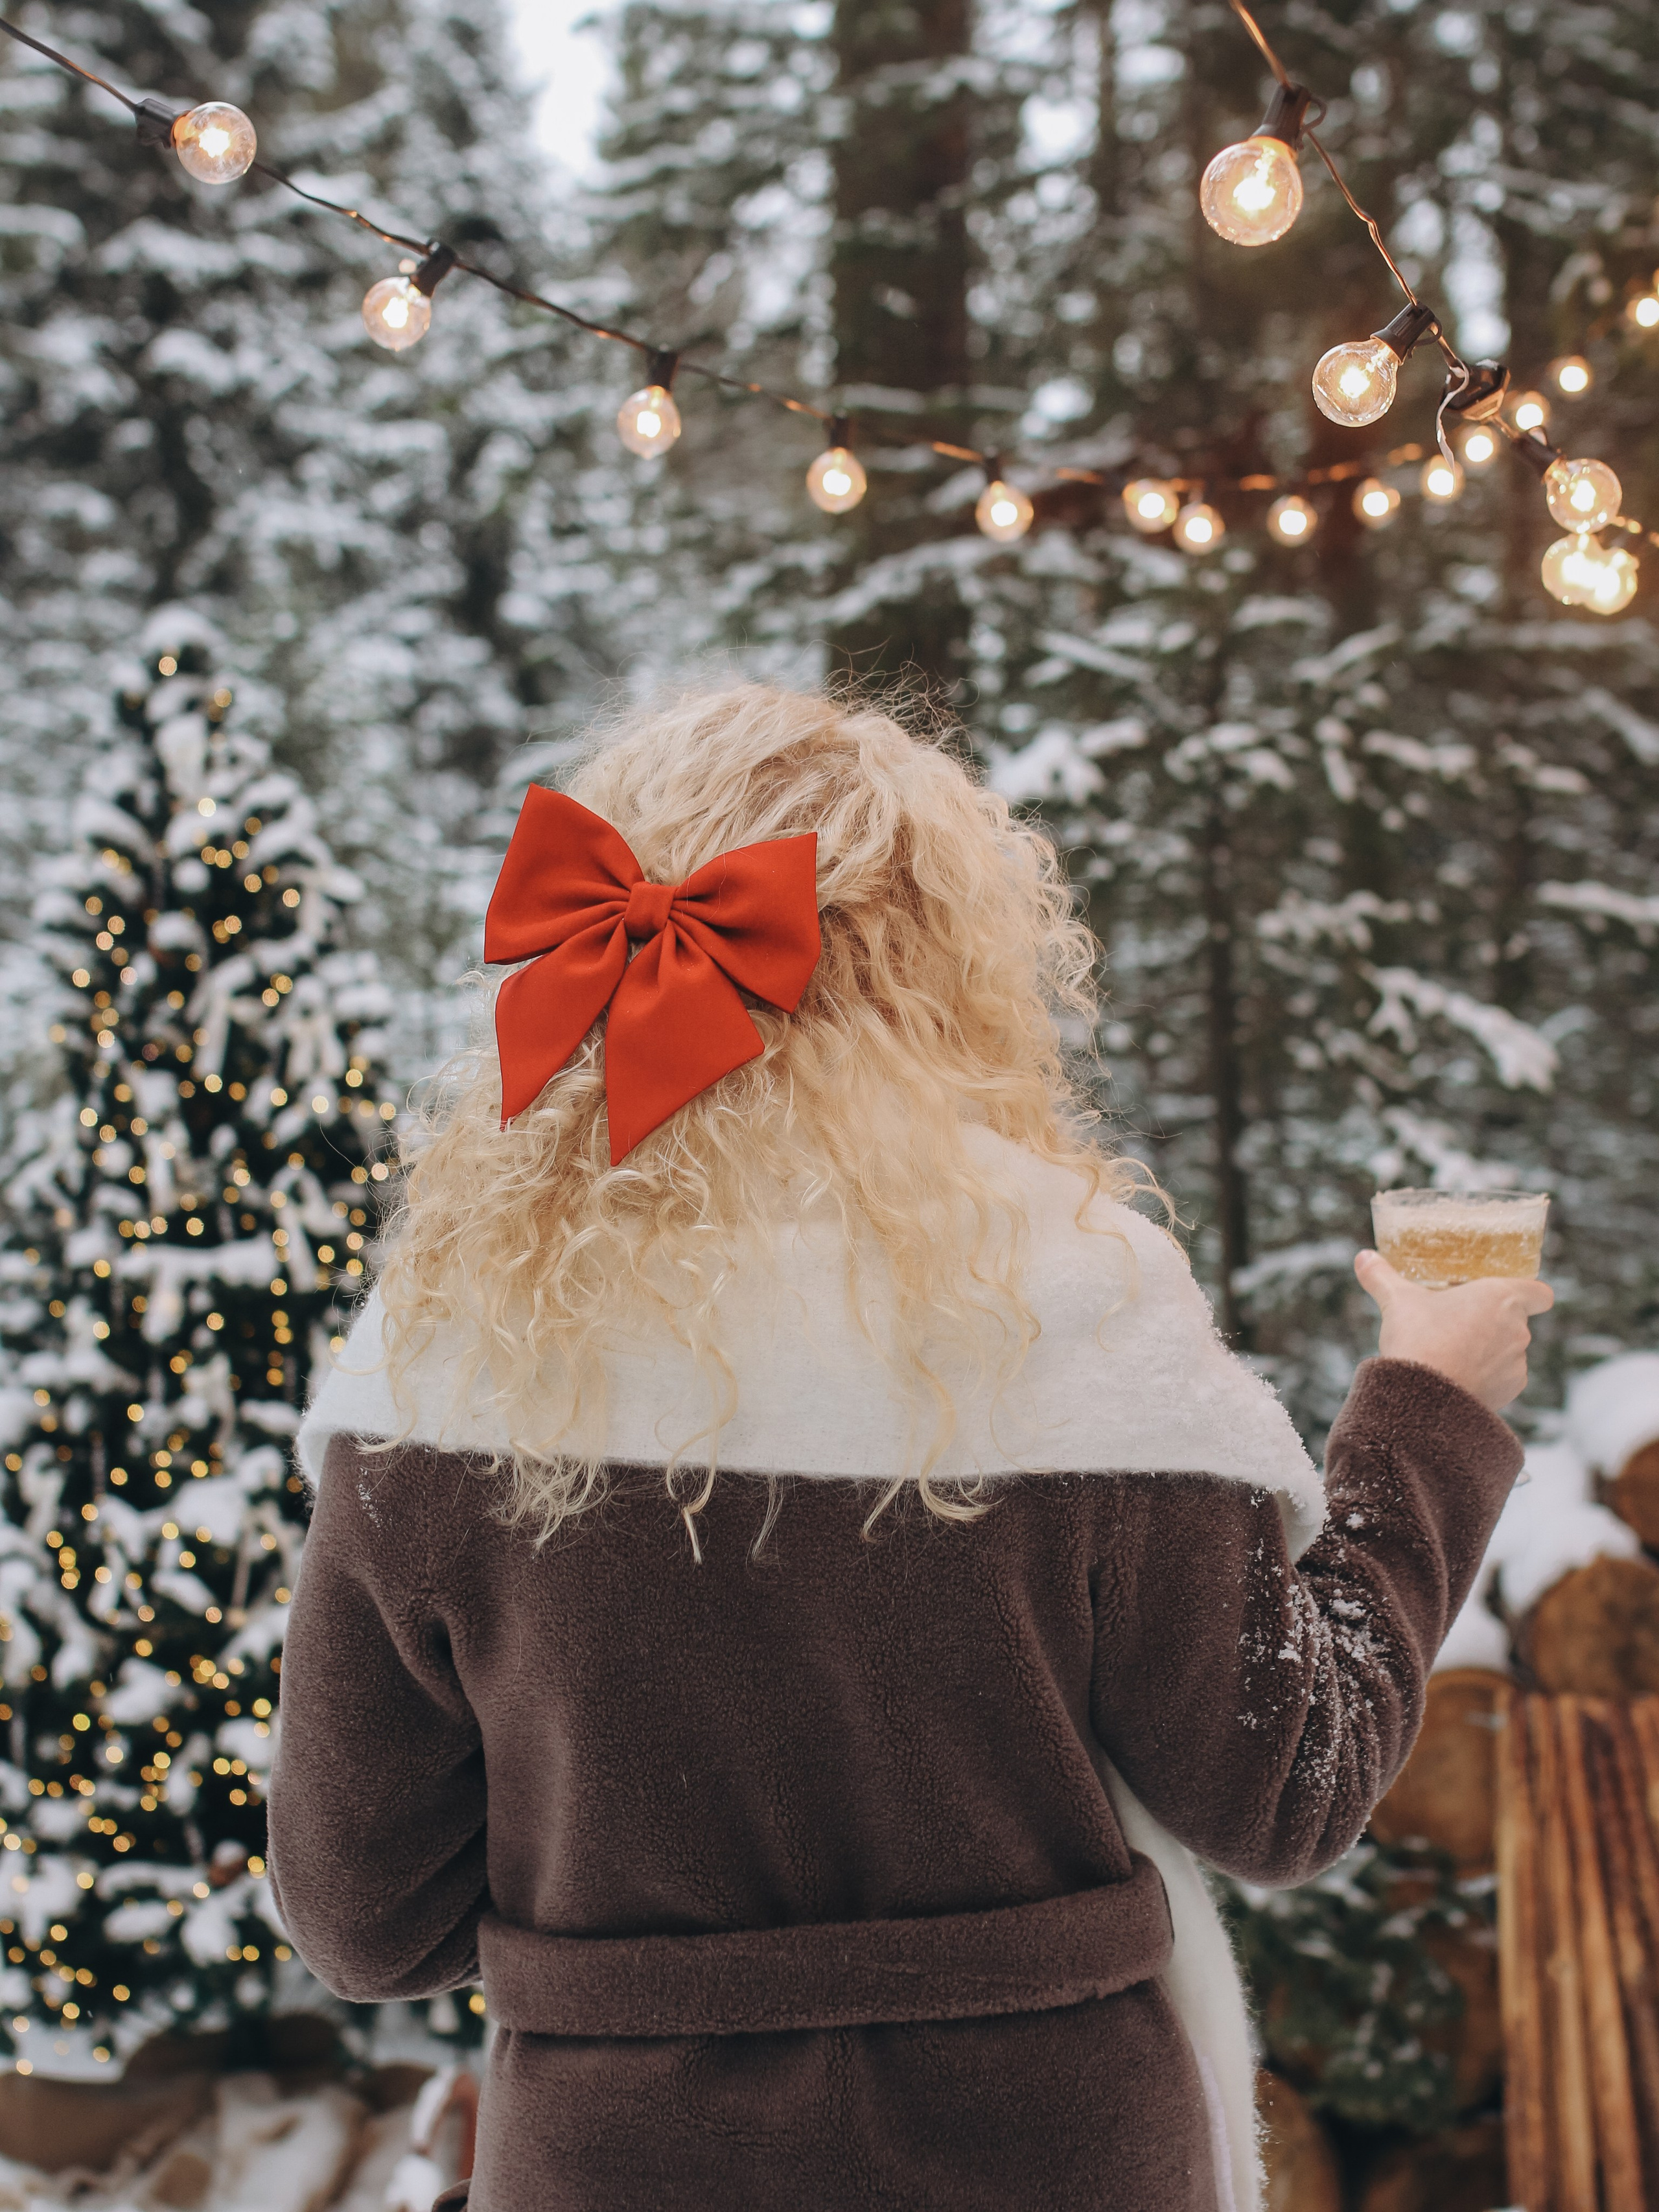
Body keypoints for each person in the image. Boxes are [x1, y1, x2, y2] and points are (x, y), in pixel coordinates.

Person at [266, 684, 1548, 2212]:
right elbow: (1283, 1789)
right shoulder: (1069, 1306)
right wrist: (1426, 1413)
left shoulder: (451, 1356)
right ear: (943, 962)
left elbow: (366, 1922)